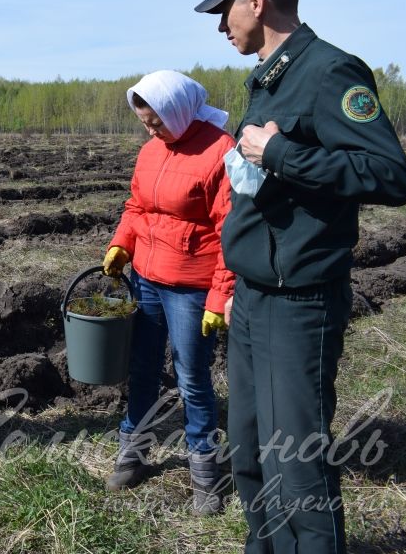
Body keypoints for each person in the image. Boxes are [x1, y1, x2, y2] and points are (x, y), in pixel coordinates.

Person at [195, 0, 406, 551]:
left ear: (257, 0)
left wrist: (283, 154)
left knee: (298, 469)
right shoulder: (267, 80)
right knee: (249, 452)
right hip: (254, 301)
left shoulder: (330, 72)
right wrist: (238, 284)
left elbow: (391, 175)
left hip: (300, 306)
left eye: (225, 10)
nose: (221, 24)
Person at [101, 70, 235, 515]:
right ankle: (133, 453)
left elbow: (231, 232)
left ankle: (205, 476)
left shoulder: (220, 151)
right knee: (141, 368)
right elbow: (138, 206)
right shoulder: (149, 152)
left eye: (155, 121)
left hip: (190, 288)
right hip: (147, 278)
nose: (150, 130)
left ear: (177, 111)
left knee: (192, 379)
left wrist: (220, 297)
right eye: (144, 122)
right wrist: (123, 243)